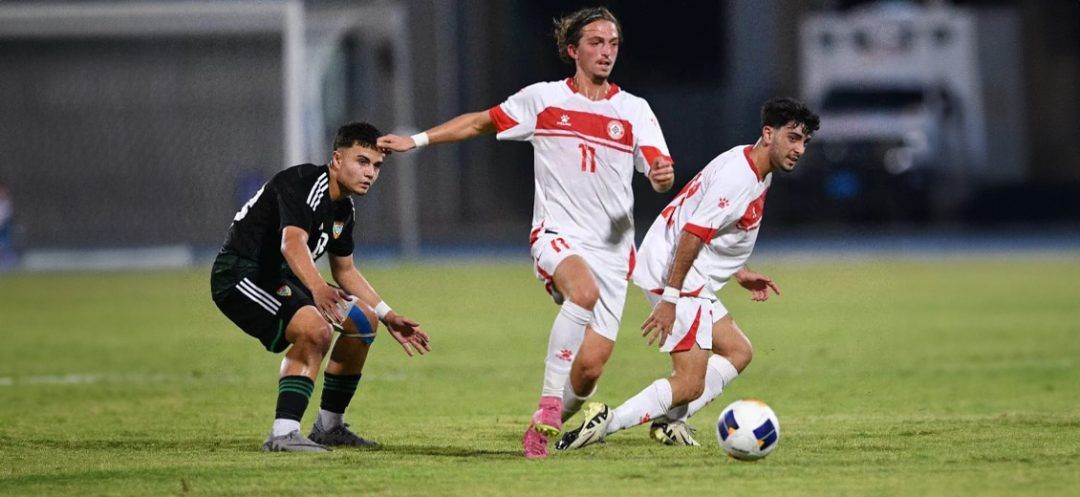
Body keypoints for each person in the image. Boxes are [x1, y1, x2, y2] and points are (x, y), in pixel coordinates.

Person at [377, 6, 675, 459]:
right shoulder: (544, 100)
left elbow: (660, 169)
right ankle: (549, 403)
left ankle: (546, 423)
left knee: (590, 370)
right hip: (557, 234)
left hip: (614, 253)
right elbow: (480, 121)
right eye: (596, 42)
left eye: (613, 43)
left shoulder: (634, 110)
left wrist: (660, 176)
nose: (606, 52)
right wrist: (416, 141)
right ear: (573, 50)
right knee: (583, 291)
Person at [555, 97, 820, 451]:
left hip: (682, 267)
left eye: (804, 141)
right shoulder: (739, 178)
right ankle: (606, 421)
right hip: (676, 272)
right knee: (690, 382)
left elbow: (714, 225)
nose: (799, 149)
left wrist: (739, 272)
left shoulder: (754, 164)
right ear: (769, 134)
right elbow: (692, 234)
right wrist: (671, 298)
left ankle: (670, 423)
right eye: (793, 138)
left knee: (738, 351)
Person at [211, 122, 431, 452]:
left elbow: (345, 271)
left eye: (376, 165)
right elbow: (292, 243)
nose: (370, 172)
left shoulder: (343, 209)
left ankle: (329, 426)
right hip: (242, 274)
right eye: (362, 161)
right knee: (315, 329)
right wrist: (316, 287)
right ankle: (283, 434)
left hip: (284, 277)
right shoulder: (303, 183)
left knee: (362, 321)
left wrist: (388, 315)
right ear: (337, 159)